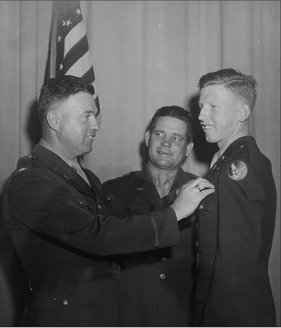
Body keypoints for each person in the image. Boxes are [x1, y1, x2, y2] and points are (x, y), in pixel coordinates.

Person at [2, 75, 214, 327]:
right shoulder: (32, 183)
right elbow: (97, 235)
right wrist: (175, 212)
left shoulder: (83, 176)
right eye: (87, 116)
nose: (96, 125)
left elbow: (120, 222)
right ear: (54, 120)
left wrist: (172, 202)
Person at [194, 68, 276, 326]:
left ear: (242, 113)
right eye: (201, 105)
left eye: (213, 107)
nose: (201, 115)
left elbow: (235, 267)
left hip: (231, 315)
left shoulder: (239, 168)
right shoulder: (227, 161)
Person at [103, 106, 197, 326]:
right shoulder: (114, 190)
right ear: (147, 138)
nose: (166, 143)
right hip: (129, 312)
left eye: (176, 138)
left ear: (189, 148)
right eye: (159, 134)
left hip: (184, 313)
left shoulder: (203, 191)